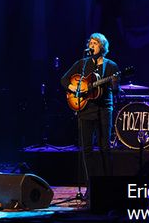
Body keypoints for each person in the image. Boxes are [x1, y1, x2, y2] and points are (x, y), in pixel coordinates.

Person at [61, 33, 120, 194]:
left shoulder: (111, 66)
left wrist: (114, 84)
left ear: (102, 47)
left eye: (95, 43)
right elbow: (64, 80)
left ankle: (109, 185)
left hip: (104, 109)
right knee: (86, 148)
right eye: (91, 42)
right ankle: (90, 187)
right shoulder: (82, 64)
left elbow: (116, 91)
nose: (92, 45)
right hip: (85, 109)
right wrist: (73, 88)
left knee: (104, 147)